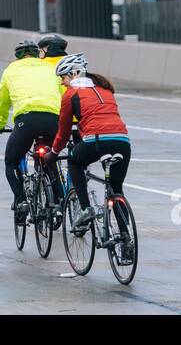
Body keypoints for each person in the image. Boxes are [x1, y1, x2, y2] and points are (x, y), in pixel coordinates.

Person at [46, 54, 132, 229]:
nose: (62, 82)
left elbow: (63, 132)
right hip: (123, 141)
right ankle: (126, 240)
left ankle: (86, 209)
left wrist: (53, 153)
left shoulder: (71, 94)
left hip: (96, 141)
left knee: (74, 161)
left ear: (74, 73)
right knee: (116, 189)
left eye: (63, 77)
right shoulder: (105, 89)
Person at [0, 38, 63, 222]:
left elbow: (2, 101)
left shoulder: (10, 70)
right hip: (52, 119)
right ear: (37, 54)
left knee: (11, 161)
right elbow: (63, 95)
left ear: (17, 56)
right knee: (50, 160)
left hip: (26, 120)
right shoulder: (50, 69)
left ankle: (21, 200)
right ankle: (57, 204)